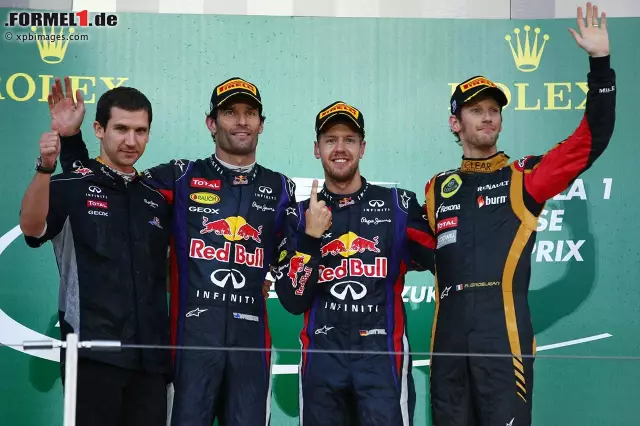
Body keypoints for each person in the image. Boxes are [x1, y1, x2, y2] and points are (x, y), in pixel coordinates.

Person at [57, 76, 293, 426]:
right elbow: (104, 186)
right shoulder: (179, 177)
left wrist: (272, 272)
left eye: (250, 113)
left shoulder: (281, 187)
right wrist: (71, 142)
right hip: (188, 347)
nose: (241, 121)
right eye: (230, 112)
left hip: (250, 346)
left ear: (262, 123)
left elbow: (293, 271)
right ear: (211, 123)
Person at [424, 3, 616, 425]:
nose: (488, 116)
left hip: (502, 334)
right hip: (448, 340)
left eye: (494, 110)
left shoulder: (524, 178)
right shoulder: (438, 189)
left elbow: (590, 140)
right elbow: (408, 249)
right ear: (455, 122)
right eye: (476, 110)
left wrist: (600, 66)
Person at [273, 101, 436, 426]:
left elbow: (444, 258)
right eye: (330, 139)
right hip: (322, 360)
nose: (340, 148)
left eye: (349, 139)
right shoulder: (297, 214)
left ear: (362, 147)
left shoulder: (398, 207)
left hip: (382, 360)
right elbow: (292, 300)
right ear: (317, 149)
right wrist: (310, 239)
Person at [20, 85, 172, 426]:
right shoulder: (67, 185)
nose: (131, 141)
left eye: (140, 131)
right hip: (89, 355)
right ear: (99, 129)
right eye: (121, 129)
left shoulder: (157, 199)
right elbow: (31, 228)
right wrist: (45, 167)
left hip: (151, 362)